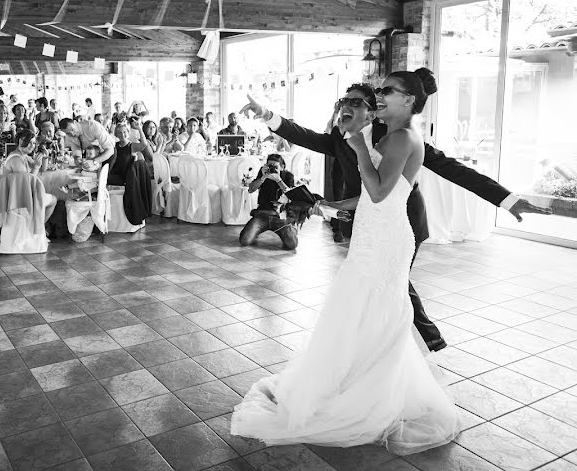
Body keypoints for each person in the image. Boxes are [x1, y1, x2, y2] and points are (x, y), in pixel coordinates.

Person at [231, 69, 461, 455]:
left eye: (372, 96)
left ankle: (377, 390)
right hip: (371, 230)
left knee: (382, 306)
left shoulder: (399, 137)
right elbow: (314, 144)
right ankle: (355, 380)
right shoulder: (366, 136)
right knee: (362, 310)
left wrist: (357, 150)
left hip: (391, 232)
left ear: (393, 104)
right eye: (345, 101)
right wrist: (332, 205)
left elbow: (382, 190)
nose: (348, 107)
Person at [242, 77, 550, 352]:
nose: (345, 106)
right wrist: (267, 114)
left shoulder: (393, 134)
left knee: (393, 283)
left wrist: (506, 199)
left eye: (355, 101)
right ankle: (394, 346)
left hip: (401, 219)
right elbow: (303, 134)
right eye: (343, 101)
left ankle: (416, 345)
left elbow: (450, 168)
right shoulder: (339, 136)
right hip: (363, 219)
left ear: (372, 109)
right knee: (380, 284)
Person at [238, 154, 298, 249]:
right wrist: (263, 177)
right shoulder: (264, 173)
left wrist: (278, 180)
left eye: (275, 167)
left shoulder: (288, 176)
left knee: (292, 245)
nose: (272, 169)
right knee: (244, 240)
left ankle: (291, 229)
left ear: (282, 167)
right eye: (270, 166)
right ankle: (255, 229)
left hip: (280, 217)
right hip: (262, 214)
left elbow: (291, 197)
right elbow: (251, 190)